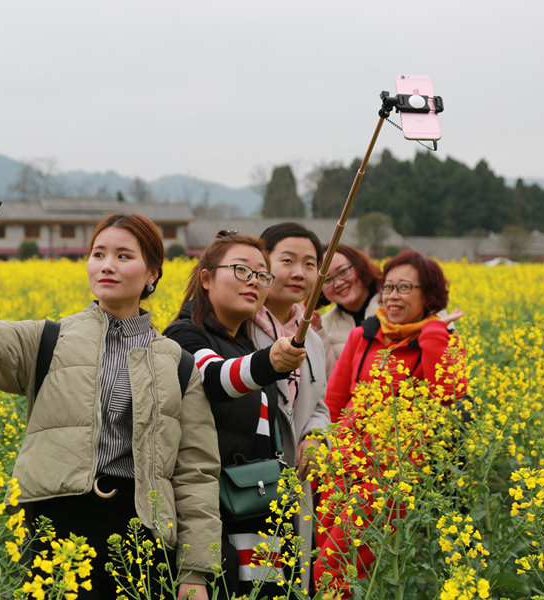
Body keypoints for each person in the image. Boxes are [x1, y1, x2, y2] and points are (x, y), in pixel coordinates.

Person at [0, 213, 220, 600]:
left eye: (124, 256)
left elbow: (196, 474)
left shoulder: (178, 363)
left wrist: (195, 572)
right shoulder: (47, 339)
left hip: (140, 535)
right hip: (53, 525)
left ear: (152, 274)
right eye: (98, 253)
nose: (107, 265)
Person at [163, 231, 306, 598]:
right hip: (213, 515)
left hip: (257, 507)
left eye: (262, 275)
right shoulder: (184, 337)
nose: (254, 283)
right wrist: (269, 362)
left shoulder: (245, 343)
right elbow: (212, 377)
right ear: (207, 279)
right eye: (242, 270)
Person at [314, 250, 466, 592]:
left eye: (404, 288)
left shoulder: (441, 339)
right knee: (329, 562)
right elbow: (336, 402)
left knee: (334, 563)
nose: (393, 296)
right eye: (389, 287)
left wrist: (434, 333)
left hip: (392, 474)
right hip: (344, 468)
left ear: (428, 295)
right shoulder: (364, 336)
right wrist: (328, 456)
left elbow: (448, 394)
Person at [250, 223, 331, 593]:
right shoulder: (239, 329)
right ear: (262, 265)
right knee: (254, 584)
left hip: (297, 488)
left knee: (293, 583)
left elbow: (320, 405)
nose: (299, 272)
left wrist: (316, 437)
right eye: (287, 260)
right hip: (249, 487)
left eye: (310, 264)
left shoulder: (312, 336)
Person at [310, 244, 382, 379]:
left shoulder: (394, 307)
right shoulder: (323, 326)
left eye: (343, 272)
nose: (338, 283)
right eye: (326, 280)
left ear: (360, 267)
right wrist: (319, 334)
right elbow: (332, 382)